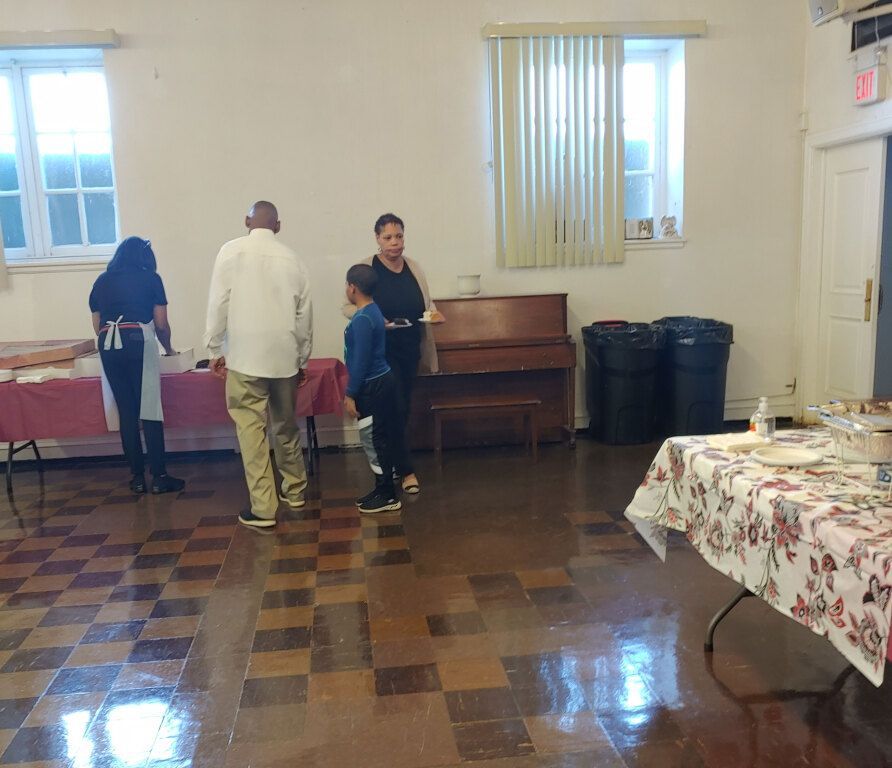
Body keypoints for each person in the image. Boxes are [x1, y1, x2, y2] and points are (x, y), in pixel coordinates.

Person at [203, 201, 313, 530]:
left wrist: (213, 347)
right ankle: (295, 490)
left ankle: (264, 508)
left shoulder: (230, 252)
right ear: (278, 226)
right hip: (283, 356)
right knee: (285, 423)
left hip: (244, 355)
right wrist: (303, 357)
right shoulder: (294, 259)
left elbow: (218, 301)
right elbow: (304, 315)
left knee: (251, 430)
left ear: (246, 221)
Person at [344, 213, 443, 495]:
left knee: (403, 408)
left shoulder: (414, 267)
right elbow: (349, 307)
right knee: (394, 409)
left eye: (398, 236)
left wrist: (434, 315)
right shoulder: (366, 268)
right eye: (387, 237)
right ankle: (404, 469)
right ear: (377, 239)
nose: (394, 243)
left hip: (410, 348)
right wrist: (378, 322)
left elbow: (427, 302)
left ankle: (393, 466)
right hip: (382, 353)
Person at [88, 237, 185, 495]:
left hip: (108, 345)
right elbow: (161, 324)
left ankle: (137, 478)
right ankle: (160, 476)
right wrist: (169, 349)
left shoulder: (101, 281)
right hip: (137, 340)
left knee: (127, 412)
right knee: (150, 410)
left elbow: (98, 325)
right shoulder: (151, 279)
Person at [343, 264, 402, 514]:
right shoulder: (373, 311)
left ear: (352, 288)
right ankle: (381, 487)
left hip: (372, 385)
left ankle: (388, 493)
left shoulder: (363, 319)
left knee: (373, 439)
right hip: (381, 381)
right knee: (377, 437)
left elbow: (361, 360)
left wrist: (350, 394)